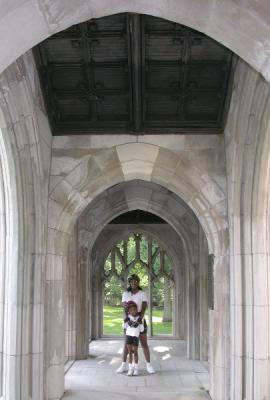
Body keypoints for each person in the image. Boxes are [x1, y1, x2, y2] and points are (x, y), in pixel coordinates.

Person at [116, 274, 155, 374]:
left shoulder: (142, 294)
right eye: (132, 281)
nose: (134, 283)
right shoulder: (126, 294)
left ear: (138, 282)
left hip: (139, 320)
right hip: (128, 321)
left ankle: (148, 366)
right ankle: (123, 365)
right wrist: (127, 321)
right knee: (126, 344)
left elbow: (143, 309)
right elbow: (124, 309)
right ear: (129, 282)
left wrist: (138, 321)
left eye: (136, 281)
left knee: (144, 343)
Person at [123, 301, 144, 376]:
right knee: (129, 352)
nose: (133, 311)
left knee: (135, 352)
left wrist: (140, 323)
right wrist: (126, 321)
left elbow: (142, 330)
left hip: (136, 337)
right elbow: (124, 327)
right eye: (131, 310)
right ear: (129, 311)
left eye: (134, 309)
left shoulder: (139, 318)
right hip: (129, 336)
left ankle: (136, 369)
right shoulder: (128, 318)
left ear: (137, 310)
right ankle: (130, 369)